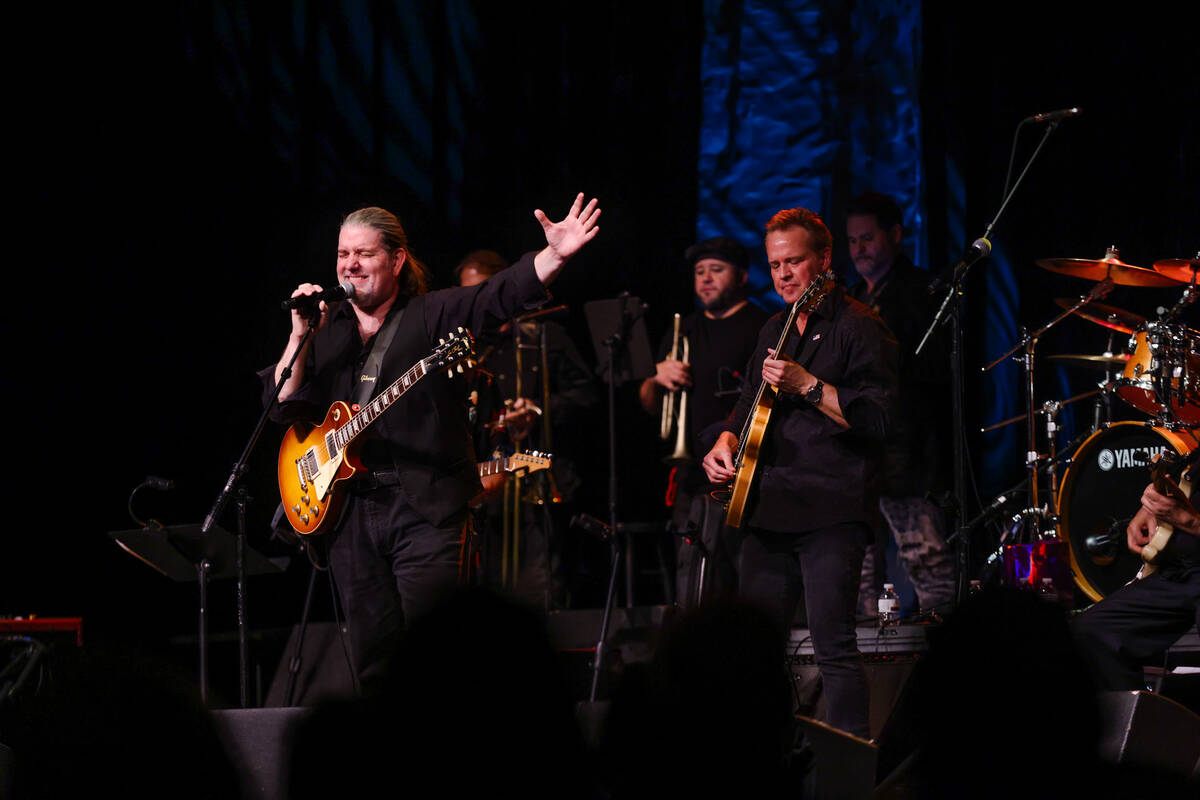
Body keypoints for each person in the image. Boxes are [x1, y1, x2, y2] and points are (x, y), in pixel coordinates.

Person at [262, 194, 600, 691]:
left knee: (440, 659)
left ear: (397, 260)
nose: (350, 265)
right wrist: (299, 335)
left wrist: (556, 255)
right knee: (374, 663)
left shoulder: (434, 312)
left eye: (364, 254)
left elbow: (498, 296)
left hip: (425, 507)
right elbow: (281, 406)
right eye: (342, 255)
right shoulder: (327, 329)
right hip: (349, 514)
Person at [702, 207, 898, 738]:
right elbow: (747, 403)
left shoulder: (860, 325)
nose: (784, 274)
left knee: (833, 647)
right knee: (755, 653)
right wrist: (723, 443)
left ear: (825, 260)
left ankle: (847, 775)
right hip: (768, 508)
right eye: (775, 265)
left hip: (832, 511)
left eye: (794, 262)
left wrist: (809, 385)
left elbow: (880, 419)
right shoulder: (775, 325)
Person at [454, 248, 598, 607]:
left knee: (539, 589)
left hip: (538, 484)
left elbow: (587, 396)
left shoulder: (544, 337)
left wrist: (537, 411)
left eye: (479, 291)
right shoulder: (462, 349)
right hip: (482, 490)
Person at [638, 237, 768, 606]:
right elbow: (648, 404)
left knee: (745, 572)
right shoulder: (685, 328)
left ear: (741, 276)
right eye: (699, 272)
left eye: (716, 269)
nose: (706, 278)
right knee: (691, 573)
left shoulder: (762, 325)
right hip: (690, 476)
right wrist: (655, 376)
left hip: (745, 473)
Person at [845, 191, 955, 615]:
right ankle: (869, 663)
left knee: (924, 556)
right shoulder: (851, 296)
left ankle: (942, 648)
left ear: (895, 235)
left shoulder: (922, 293)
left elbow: (928, 375)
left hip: (908, 450)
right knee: (859, 565)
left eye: (867, 238)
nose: (859, 250)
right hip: (860, 450)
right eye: (852, 241)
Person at [1076, 463, 1200, 691]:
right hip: (1181, 569)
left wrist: (1191, 522)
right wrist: (1151, 509)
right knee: (1093, 631)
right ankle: (1140, 724)